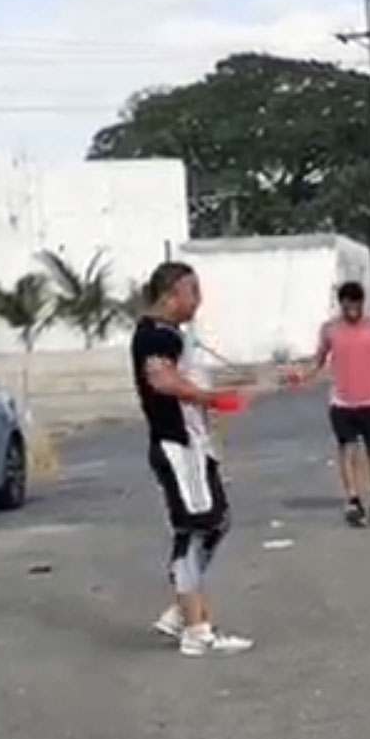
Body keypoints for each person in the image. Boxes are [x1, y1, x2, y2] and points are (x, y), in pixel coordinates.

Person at [131, 261, 255, 656]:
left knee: (217, 521)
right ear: (171, 294)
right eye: (193, 292)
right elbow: (161, 380)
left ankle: (181, 610)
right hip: (177, 445)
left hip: (197, 445)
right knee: (197, 527)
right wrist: (212, 399)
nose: (197, 302)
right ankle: (196, 631)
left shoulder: (173, 335)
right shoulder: (156, 336)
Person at [288, 281, 370, 527]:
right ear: (341, 305)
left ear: (362, 303)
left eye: (356, 305)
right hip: (341, 402)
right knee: (347, 449)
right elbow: (318, 360)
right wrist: (301, 376)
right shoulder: (329, 330)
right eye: (347, 305)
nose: (352, 310)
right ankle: (353, 499)